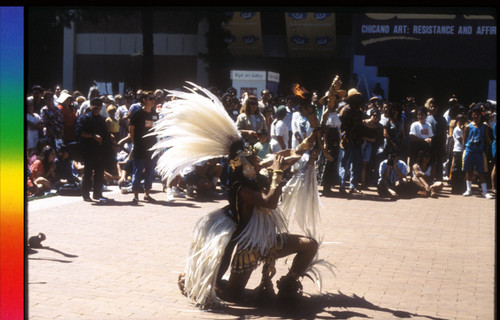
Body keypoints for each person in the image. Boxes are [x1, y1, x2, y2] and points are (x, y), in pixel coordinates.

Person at [150, 83, 331, 308]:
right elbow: (270, 202)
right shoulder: (242, 188)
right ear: (242, 164)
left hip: (267, 239)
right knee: (234, 296)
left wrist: (312, 140)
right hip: (249, 248)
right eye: (252, 157)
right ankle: (199, 281)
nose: (257, 159)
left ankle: (288, 282)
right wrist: (276, 172)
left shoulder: (255, 173)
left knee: (309, 245)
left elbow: (290, 155)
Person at [75, 97, 112, 202]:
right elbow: (80, 133)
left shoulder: (101, 119)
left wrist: (110, 137)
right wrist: (93, 136)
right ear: (90, 106)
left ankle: (97, 194)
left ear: (101, 107)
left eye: (98, 105)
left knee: (100, 172)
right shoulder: (84, 118)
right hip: (88, 149)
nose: (96, 107)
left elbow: (105, 134)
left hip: (99, 150)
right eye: (94, 105)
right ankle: (86, 195)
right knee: (87, 172)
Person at [129, 91, 159, 203]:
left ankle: (147, 194)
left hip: (151, 147)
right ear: (144, 100)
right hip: (140, 147)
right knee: (137, 171)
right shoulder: (137, 114)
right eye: (150, 98)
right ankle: (136, 195)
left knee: (150, 171)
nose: (153, 100)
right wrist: (135, 142)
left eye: (154, 98)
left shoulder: (155, 114)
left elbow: (156, 129)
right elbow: (131, 130)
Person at [462, 105, 493, 198]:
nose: (476, 116)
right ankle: (468, 190)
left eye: (478, 115)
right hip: (469, 151)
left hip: (479, 152)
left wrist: (486, 152)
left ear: (480, 115)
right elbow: (464, 139)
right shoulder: (468, 126)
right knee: (469, 171)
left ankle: (485, 192)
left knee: (481, 172)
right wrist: (464, 150)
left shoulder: (484, 127)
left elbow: (487, 140)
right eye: (474, 114)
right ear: (472, 115)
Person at [339, 88, 365, 194]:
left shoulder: (359, 111)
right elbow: (341, 127)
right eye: (355, 97)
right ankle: (341, 185)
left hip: (357, 141)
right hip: (347, 141)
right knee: (344, 164)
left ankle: (352, 186)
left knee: (356, 164)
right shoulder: (345, 110)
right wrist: (344, 137)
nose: (357, 99)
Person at [425, 98, 448, 181]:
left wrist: (443, 145)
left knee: (438, 162)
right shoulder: (427, 118)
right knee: (429, 161)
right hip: (429, 143)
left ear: (437, 108)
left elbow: (444, 133)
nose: (432, 108)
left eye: (434, 107)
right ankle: (429, 179)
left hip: (438, 143)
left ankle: (439, 180)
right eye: (431, 107)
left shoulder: (442, 119)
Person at [450, 113, 467, 194]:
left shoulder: (463, 129)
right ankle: (455, 187)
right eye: (460, 121)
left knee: (461, 169)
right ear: (457, 121)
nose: (461, 123)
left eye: (463, 121)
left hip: (462, 151)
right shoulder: (457, 129)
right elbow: (461, 140)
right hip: (457, 150)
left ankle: (460, 187)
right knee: (456, 169)